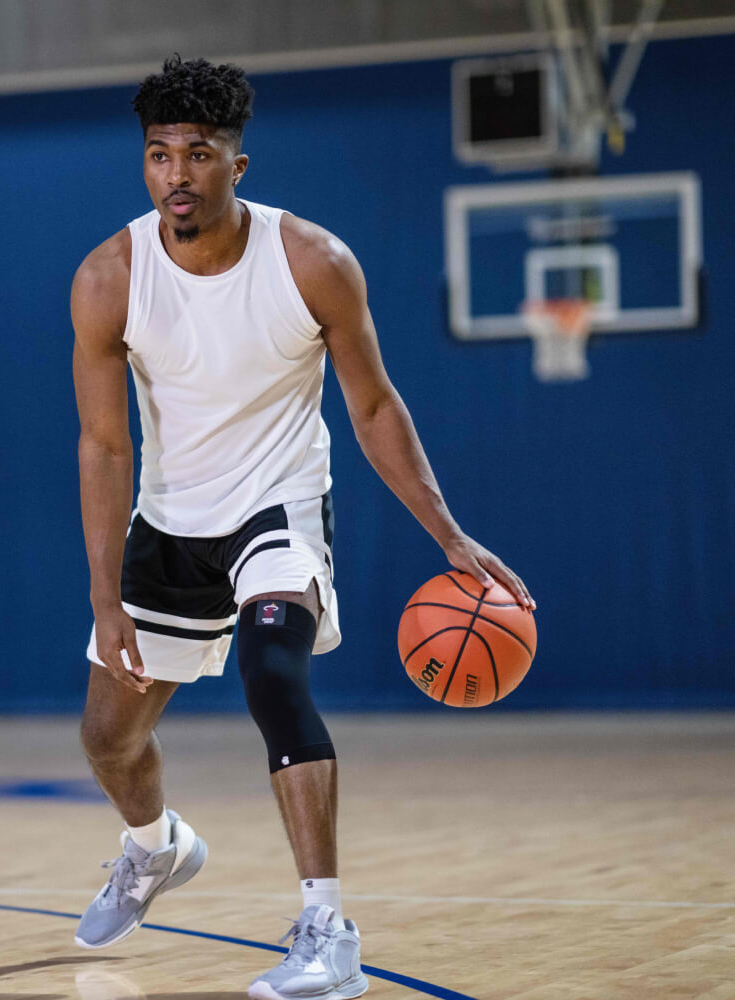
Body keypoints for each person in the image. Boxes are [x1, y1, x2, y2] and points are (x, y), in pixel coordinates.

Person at [71, 55, 535, 1000]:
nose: (175, 175)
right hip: (171, 521)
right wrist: (103, 593)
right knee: (107, 740)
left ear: (237, 166)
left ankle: (327, 931)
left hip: (277, 505)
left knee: (273, 671)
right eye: (158, 155)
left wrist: (449, 537)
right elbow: (103, 446)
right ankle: (155, 849)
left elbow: (372, 408)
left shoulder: (312, 263)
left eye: (197, 154)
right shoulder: (109, 277)